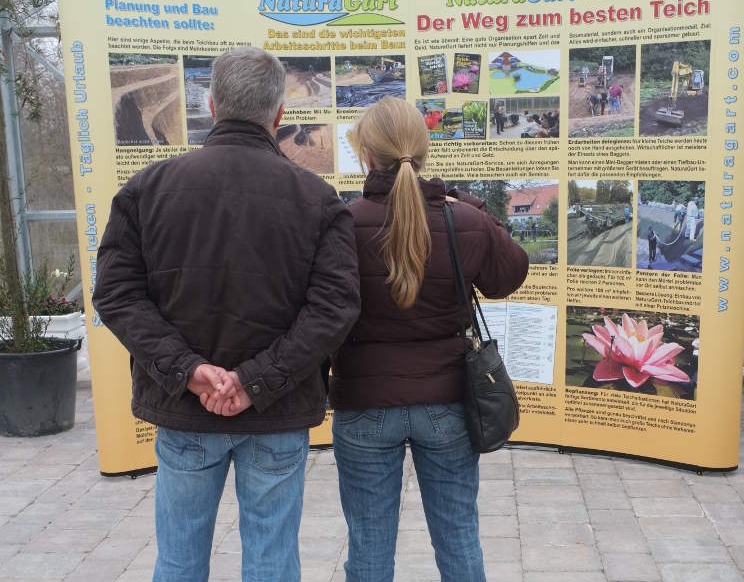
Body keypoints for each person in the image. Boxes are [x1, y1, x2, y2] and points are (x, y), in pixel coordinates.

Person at [93, 47, 361, 582]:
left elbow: (116, 293)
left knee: (179, 560)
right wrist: (254, 382)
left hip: (187, 410)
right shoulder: (318, 199)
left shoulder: (146, 190)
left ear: (212, 106)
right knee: (272, 560)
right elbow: (335, 307)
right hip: (275, 411)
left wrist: (188, 373)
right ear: (280, 114)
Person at [330, 97, 529, 582]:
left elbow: (322, 311)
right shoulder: (463, 220)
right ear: (423, 151)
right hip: (448, 404)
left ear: (365, 155)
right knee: (459, 536)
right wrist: (473, 206)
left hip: (364, 402)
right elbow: (509, 275)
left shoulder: (342, 224)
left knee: (369, 547)